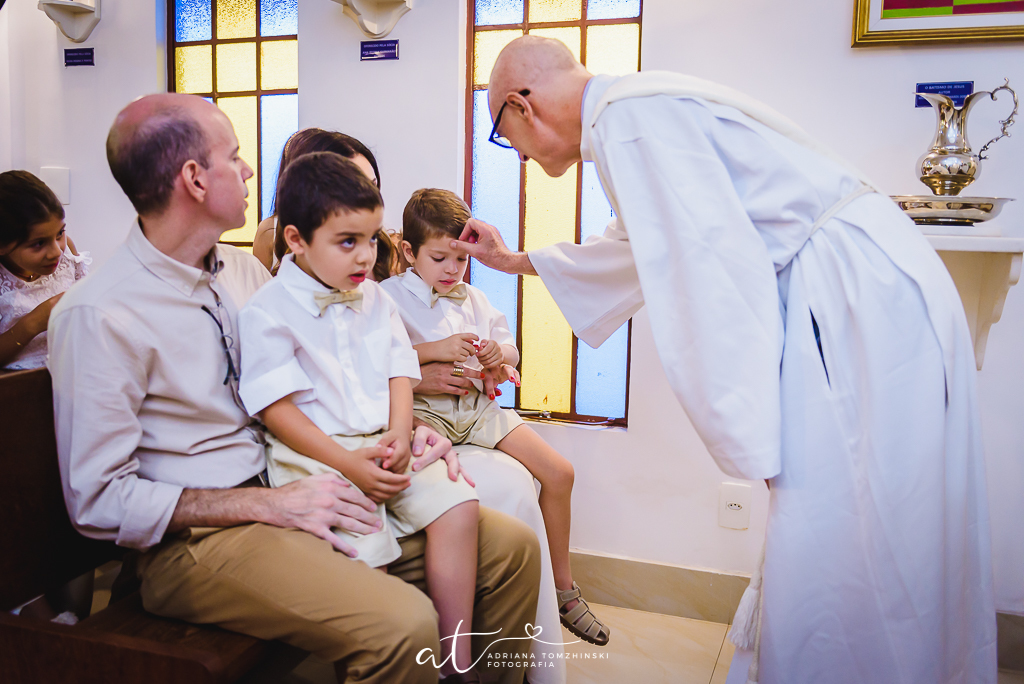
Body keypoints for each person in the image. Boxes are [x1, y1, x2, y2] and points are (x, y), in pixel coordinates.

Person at [456, 35, 996, 684]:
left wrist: (753, 446)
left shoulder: (629, 121)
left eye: (504, 135)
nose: (515, 154)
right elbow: (636, 250)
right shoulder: (631, 113)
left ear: (522, 106)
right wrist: (512, 260)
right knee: (873, 522)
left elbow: (708, 278)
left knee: (850, 530)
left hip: (856, 303)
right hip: (870, 293)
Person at [48, 92, 541, 684]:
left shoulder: (243, 272)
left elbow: (328, 374)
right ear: (195, 179)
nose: (248, 170)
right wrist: (266, 504)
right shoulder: (99, 313)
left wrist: (410, 430)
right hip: (203, 540)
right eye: (234, 156)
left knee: (510, 549)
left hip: (303, 483)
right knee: (403, 625)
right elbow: (98, 502)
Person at [237, 153, 481, 680]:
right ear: (297, 240)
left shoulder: (375, 298)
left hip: (383, 439)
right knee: (368, 544)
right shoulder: (266, 310)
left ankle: (454, 666)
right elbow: (277, 410)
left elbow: (400, 371)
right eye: (347, 241)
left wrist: (399, 433)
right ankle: (385, 651)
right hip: (318, 454)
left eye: (371, 239)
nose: (367, 255)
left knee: (459, 502)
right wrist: (348, 463)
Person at [382, 188, 609, 647]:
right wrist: (434, 350)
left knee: (560, 473)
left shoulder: (475, 299)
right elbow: (377, 359)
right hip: (425, 413)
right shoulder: (387, 298)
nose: (452, 270)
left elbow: (511, 350)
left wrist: (495, 354)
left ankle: (563, 591)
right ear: (408, 252)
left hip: (478, 409)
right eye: (440, 258)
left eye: (461, 259)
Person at [252, 127, 401, 281]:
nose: (368, 200)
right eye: (354, 188)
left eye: (372, 186)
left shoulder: (384, 249)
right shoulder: (271, 232)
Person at [0, 170, 90, 370]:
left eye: (60, 233)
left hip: (73, 370)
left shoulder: (67, 253)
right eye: (39, 243)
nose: (56, 252)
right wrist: (33, 322)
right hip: (19, 382)